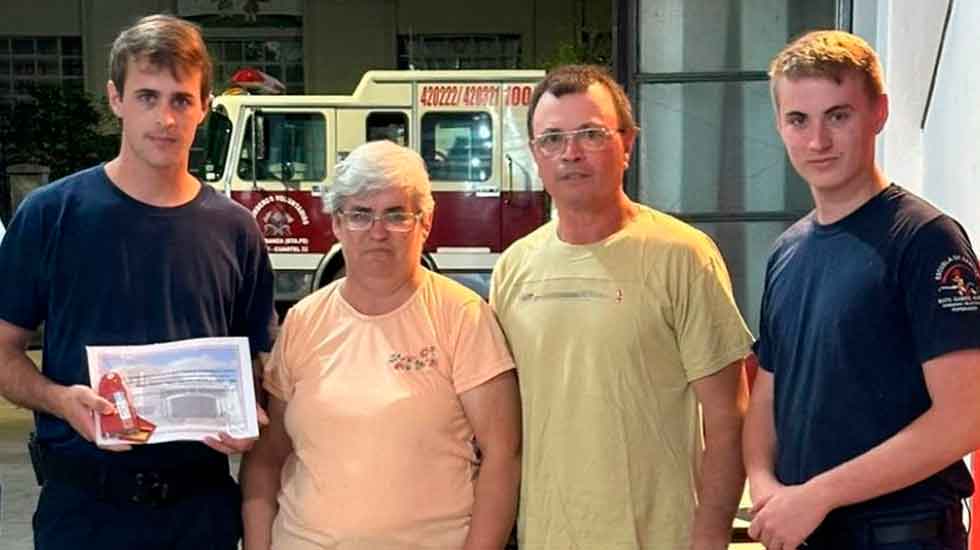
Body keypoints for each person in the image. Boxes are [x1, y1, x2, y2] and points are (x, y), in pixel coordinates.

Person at [0, 14, 276, 550]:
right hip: (84, 511)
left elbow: (259, 363)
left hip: (201, 513)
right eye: (147, 96)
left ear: (204, 106)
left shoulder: (236, 230)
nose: (166, 118)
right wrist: (61, 402)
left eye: (181, 100)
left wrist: (253, 416)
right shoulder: (50, 215)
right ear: (115, 99)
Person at [490, 64, 754, 549]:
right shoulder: (514, 270)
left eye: (591, 133)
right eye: (552, 139)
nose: (570, 153)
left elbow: (728, 415)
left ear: (627, 143)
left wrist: (711, 535)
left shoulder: (684, 256)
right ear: (534, 154)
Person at [744, 30, 980, 550]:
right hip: (805, 534)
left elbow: (967, 417)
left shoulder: (925, 240)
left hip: (903, 536)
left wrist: (818, 495)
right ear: (779, 125)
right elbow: (767, 393)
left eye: (838, 115)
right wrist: (764, 485)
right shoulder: (787, 251)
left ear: (879, 113)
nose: (817, 141)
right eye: (798, 120)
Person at [240, 139, 521, 550]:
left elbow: (503, 455)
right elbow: (268, 454)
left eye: (396, 215)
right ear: (336, 223)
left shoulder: (461, 315)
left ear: (425, 222)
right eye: (360, 214)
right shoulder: (304, 320)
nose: (377, 232)